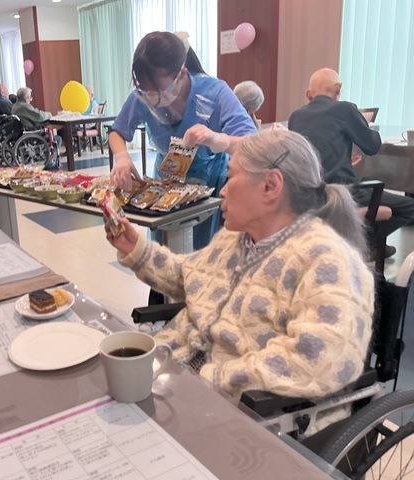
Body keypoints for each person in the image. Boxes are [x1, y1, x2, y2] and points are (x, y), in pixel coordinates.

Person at [105, 129, 374, 432]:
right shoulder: (237, 239)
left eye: (230, 177)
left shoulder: (326, 261)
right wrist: (137, 250)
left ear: (270, 186)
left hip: (238, 411)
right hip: (174, 370)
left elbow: (319, 358)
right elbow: (190, 276)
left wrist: (212, 378)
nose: (222, 190)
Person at [109, 31, 256, 253]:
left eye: (160, 91)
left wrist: (220, 140)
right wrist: (122, 157)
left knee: (205, 255)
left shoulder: (215, 92)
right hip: (166, 185)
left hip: (210, 187)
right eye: (147, 92)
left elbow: (255, 145)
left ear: (182, 74)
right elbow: (117, 132)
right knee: (163, 254)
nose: (154, 100)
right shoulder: (142, 96)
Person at [288, 67, 414, 257]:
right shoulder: (344, 109)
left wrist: (344, 158)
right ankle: (368, 245)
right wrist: (364, 124)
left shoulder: (295, 116)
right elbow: (372, 146)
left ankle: (361, 244)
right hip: (342, 192)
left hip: (307, 194)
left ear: (308, 95)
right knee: (409, 207)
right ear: (338, 89)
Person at [11, 87, 62, 152]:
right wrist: (49, 114)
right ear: (27, 98)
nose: (30, 100)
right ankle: (52, 156)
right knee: (58, 138)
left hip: (22, 133)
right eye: (30, 98)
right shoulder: (24, 107)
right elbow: (39, 115)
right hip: (32, 133)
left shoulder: (15, 106)